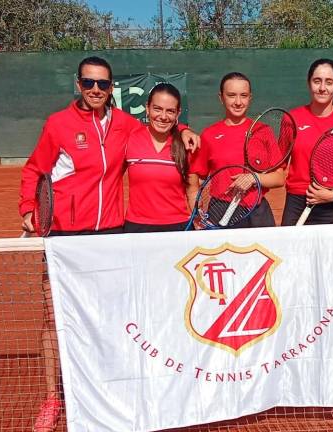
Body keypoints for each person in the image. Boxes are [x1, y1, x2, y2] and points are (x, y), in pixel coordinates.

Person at [19, 56, 199, 431]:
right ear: (78, 84)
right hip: (65, 235)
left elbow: (161, 123)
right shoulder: (58, 124)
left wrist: (183, 128)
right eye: (89, 83)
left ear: (111, 87)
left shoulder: (125, 126)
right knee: (53, 318)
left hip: (112, 234)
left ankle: (105, 385)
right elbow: (35, 170)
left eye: (102, 84)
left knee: (111, 316)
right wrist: (27, 208)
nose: (96, 90)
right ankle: (53, 398)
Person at [190, 72, 284, 228]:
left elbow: (279, 178)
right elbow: (196, 178)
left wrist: (253, 178)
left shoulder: (263, 131)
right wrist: (196, 211)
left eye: (244, 95)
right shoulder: (209, 135)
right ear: (221, 98)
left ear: (250, 98)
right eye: (231, 95)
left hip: (258, 212)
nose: (238, 102)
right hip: (219, 210)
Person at [280, 58, 333, 225]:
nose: (323, 88)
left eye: (329, 82)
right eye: (317, 81)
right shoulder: (291, 119)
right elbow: (279, 166)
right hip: (297, 202)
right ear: (309, 83)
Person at [124, 83, 194, 232]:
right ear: (147, 108)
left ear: (178, 114)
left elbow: (193, 190)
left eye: (170, 111)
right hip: (137, 227)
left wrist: (199, 220)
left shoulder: (187, 144)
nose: (163, 117)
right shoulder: (130, 138)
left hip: (178, 227)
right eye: (157, 109)